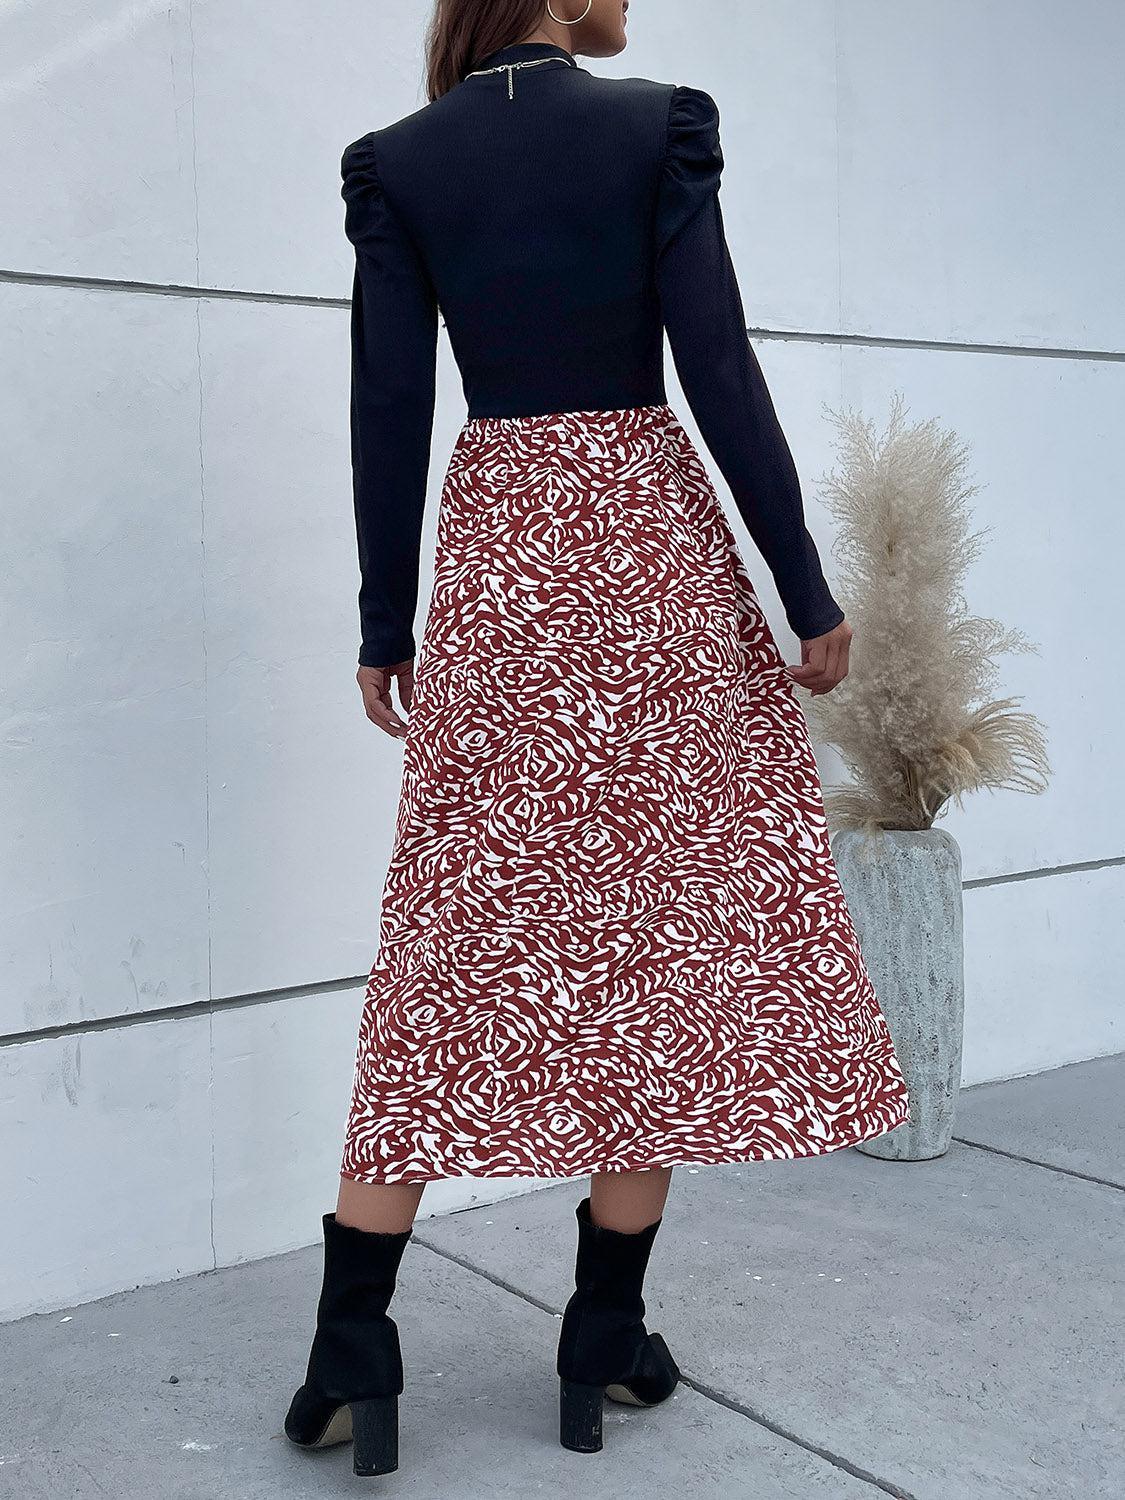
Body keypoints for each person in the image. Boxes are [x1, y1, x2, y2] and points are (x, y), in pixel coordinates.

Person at [285, 0, 911, 1477]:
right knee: (660, 937)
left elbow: (386, 401)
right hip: (649, 552)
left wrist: (389, 620)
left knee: (450, 938)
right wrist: (802, 587)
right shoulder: (654, 127)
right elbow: (717, 363)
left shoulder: (396, 163)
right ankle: (603, 1335)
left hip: (498, 560)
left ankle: (352, 1345)